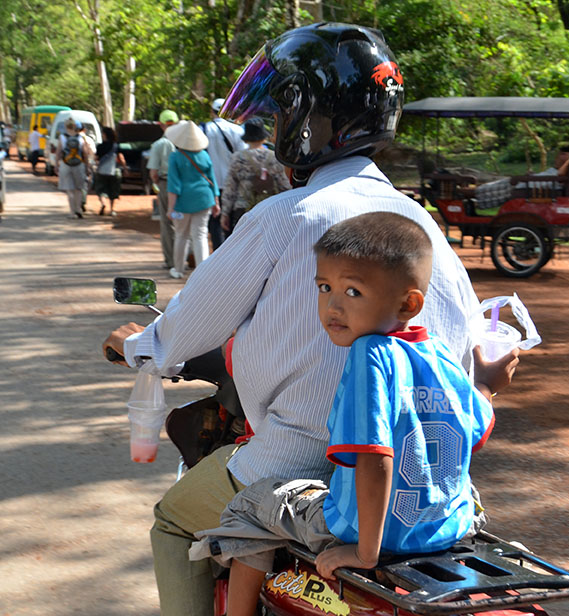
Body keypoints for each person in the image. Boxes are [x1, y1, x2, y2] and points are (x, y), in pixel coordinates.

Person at [102, 23, 481, 616]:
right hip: (422, 485)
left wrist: (137, 345)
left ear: (308, 117)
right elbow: (465, 350)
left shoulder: (286, 215)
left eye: (282, 111)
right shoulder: (422, 227)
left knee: (172, 524)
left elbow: (187, 326)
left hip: (296, 465)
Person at [189, 212, 519, 616]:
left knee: (251, 502)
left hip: (372, 534)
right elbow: (476, 431)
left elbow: (374, 458)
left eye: (353, 292)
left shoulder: (370, 356)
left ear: (408, 303)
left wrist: (365, 552)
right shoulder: (441, 356)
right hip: (444, 530)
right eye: (325, 287)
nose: (333, 305)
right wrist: (486, 384)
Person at [164, 120, 220, 279]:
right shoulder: (204, 155)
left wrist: (171, 208)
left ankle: (178, 270)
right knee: (200, 235)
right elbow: (212, 179)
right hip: (205, 199)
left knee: (181, 235)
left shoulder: (175, 157)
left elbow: (174, 185)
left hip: (182, 203)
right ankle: (203, 273)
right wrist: (216, 201)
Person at [220, 117, 290, 235]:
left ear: (246, 139)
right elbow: (283, 185)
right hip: (268, 208)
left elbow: (230, 188)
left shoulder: (237, 158)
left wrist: (225, 213)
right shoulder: (273, 157)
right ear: (263, 137)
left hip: (243, 209)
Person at [469, 146, 569, 208]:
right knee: (485, 188)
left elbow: (560, 175)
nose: (558, 157)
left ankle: (461, 192)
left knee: (482, 190)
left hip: (523, 187)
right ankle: (465, 194)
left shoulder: (561, 172)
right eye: (559, 154)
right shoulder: (555, 170)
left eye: (563, 154)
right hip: (523, 183)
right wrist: (531, 176)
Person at [202, 97, 246, 249]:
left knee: (214, 222)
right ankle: (230, 254)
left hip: (211, 183)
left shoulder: (204, 129)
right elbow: (243, 156)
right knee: (232, 221)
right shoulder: (239, 130)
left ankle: (217, 253)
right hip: (233, 183)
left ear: (212, 112)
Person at [147, 109, 179, 269]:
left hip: (166, 184)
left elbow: (153, 173)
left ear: (161, 125)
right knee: (185, 223)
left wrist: (157, 183)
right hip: (186, 186)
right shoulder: (185, 142)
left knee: (167, 223)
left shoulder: (158, 145)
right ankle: (185, 259)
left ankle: (171, 261)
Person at [57, 119, 92, 219]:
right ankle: (78, 209)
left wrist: (56, 164)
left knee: (70, 190)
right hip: (79, 164)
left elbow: (58, 152)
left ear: (66, 126)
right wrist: (87, 166)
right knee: (79, 189)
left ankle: (72, 212)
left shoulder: (62, 137)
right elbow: (85, 153)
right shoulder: (81, 138)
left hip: (66, 165)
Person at [95, 126, 123, 216]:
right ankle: (112, 210)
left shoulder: (100, 146)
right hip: (113, 171)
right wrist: (125, 168)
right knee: (113, 190)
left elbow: (96, 158)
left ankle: (103, 204)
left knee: (101, 189)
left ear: (104, 135)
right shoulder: (116, 146)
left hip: (102, 171)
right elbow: (121, 158)